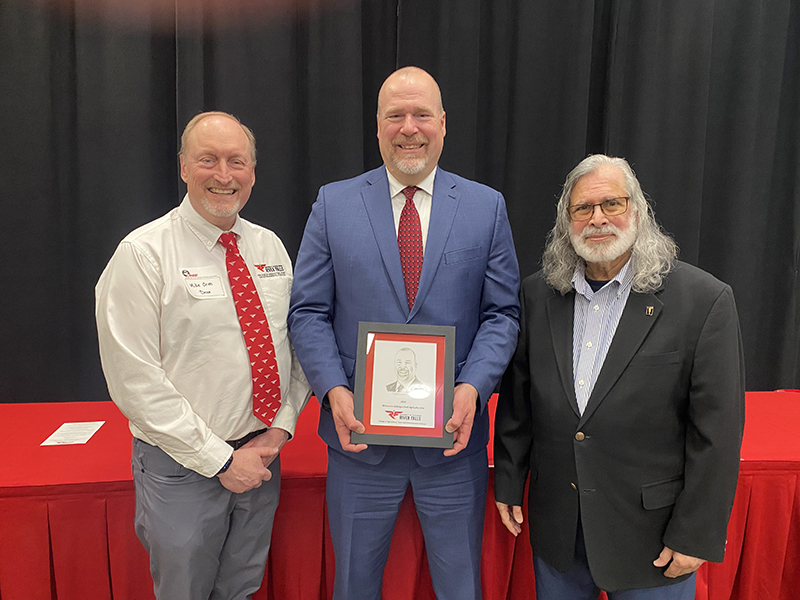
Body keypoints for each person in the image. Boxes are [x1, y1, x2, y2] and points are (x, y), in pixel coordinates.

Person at [288, 66, 520, 600]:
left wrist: (473, 387)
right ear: (377, 126)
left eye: (421, 115)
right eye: (395, 115)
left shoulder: (485, 207)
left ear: (443, 123)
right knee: (353, 586)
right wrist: (332, 390)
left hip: (452, 444)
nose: (409, 128)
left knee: (461, 588)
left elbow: (502, 314)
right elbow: (308, 312)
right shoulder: (333, 204)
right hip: (358, 443)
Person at [494, 154, 745, 599]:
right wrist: (510, 482)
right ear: (566, 222)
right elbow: (519, 402)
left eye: (612, 203)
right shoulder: (537, 295)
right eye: (583, 208)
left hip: (652, 539)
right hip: (559, 532)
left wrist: (696, 534)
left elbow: (717, 434)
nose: (598, 219)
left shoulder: (703, 301)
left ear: (639, 211)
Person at [95, 111, 311, 600]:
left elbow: (294, 346)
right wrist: (220, 461)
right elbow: (134, 381)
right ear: (183, 167)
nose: (223, 175)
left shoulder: (269, 247)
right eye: (208, 160)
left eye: (237, 161)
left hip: (261, 457)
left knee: (241, 589)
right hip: (183, 467)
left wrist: (280, 428)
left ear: (252, 172)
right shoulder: (143, 254)